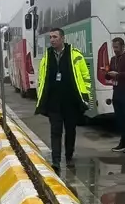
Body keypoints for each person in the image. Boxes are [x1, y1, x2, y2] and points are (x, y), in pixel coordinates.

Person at [35, 27, 91, 171]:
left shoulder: (75, 55)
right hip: (54, 102)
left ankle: (69, 157)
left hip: (71, 102)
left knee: (70, 131)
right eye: (51, 37)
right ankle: (56, 161)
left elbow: (85, 77)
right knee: (55, 132)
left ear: (62, 38)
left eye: (55, 37)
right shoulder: (46, 57)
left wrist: (86, 96)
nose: (52, 40)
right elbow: (41, 78)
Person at [106, 37, 125, 153]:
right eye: (113, 47)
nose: (115, 50)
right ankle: (122, 141)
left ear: (123, 47)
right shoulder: (113, 59)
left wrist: (118, 74)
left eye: (117, 47)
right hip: (116, 91)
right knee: (120, 118)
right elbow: (109, 75)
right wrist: (107, 73)